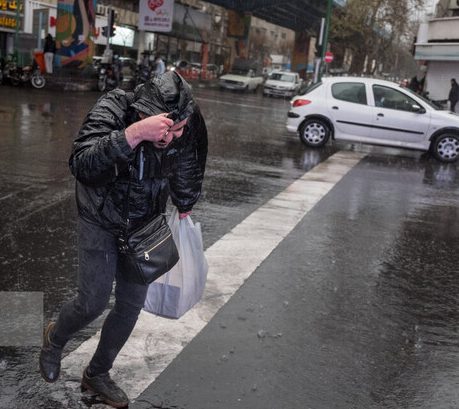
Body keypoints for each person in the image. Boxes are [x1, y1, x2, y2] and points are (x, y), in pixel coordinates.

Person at [39, 71, 208, 408]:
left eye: (177, 130)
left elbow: (190, 161)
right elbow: (82, 163)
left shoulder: (188, 121)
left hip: (145, 220)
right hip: (99, 214)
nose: (169, 137)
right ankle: (54, 338)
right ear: (144, 110)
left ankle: (98, 373)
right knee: (94, 301)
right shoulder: (115, 106)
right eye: (163, 127)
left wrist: (185, 202)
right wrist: (132, 135)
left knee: (130, 305)